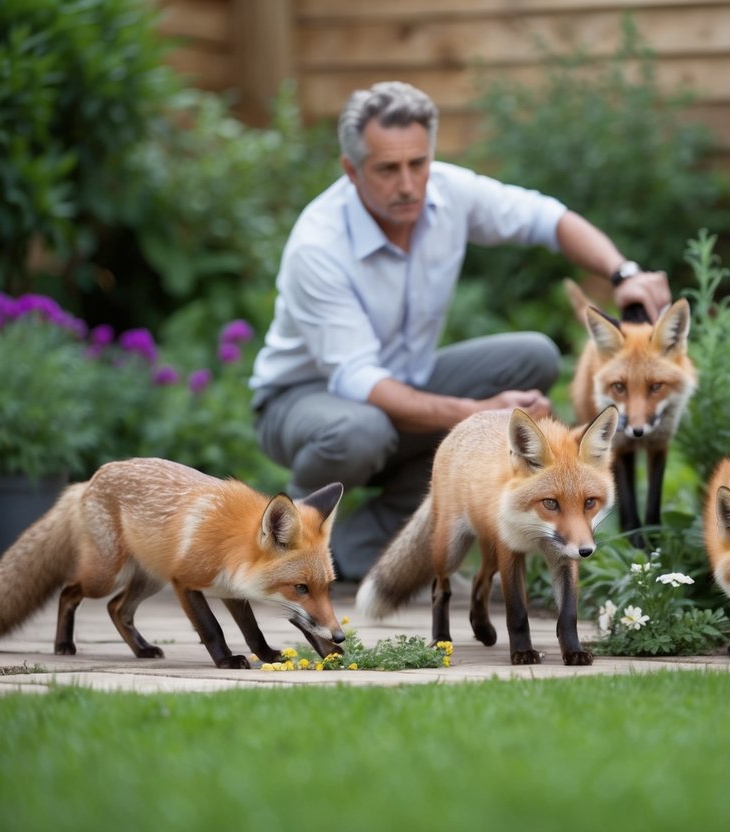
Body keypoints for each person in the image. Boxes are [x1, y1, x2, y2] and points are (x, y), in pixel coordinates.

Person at [250, 81, 671, 580]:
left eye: (418, 163)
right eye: (387, 169)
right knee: (361, 430)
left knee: (533, 357)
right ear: (351, 169)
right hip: (303, 401)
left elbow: (546, 218)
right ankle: (295, 533)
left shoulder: (449, 192)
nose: (408, 184)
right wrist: (477, 413)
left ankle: (354, 546)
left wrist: (623, 273)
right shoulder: (318, 245)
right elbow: (361, 381)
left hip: (407, 381)